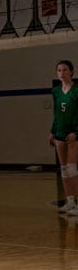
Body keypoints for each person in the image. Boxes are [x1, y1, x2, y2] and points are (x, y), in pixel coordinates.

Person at [50, 59, 78, 214]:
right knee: (65, 169)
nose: (62, 73)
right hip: (59, 134)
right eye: (59, 70)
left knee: (72, 168)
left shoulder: (77, 91)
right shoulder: (55, 91)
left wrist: (76, 132)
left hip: (73, 134)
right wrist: (52, 131)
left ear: (72, 72)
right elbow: (57, 114)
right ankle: (70, 202)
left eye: (65, 70)